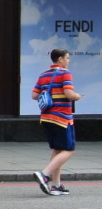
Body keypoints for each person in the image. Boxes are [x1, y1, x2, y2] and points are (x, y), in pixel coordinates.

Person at [31, 48, 82, 196]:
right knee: (69, 150)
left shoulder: (43, 75)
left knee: (58, 150)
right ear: (60, 59)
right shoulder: (65, 73)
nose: (68, 61)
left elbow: (34, 95)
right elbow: (68, 93)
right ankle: (45, 174)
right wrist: (77, 96)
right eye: (67, 58)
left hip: (46, 118)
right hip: (62, 118)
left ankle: (56, 185)